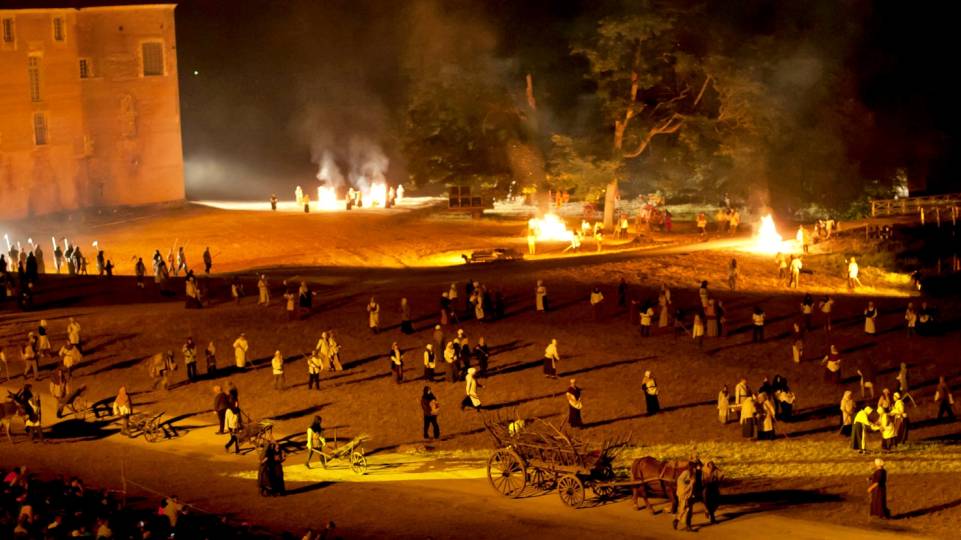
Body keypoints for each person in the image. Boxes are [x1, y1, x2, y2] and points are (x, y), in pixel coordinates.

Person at [673, 467, 695, 531]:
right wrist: (691, 483)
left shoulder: (692, 473)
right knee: (684, 510)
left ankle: (688, 526)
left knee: (688, 511)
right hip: (684, 496)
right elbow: (680, 481)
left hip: (688, 495)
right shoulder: (686, 473)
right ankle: (677, 521)